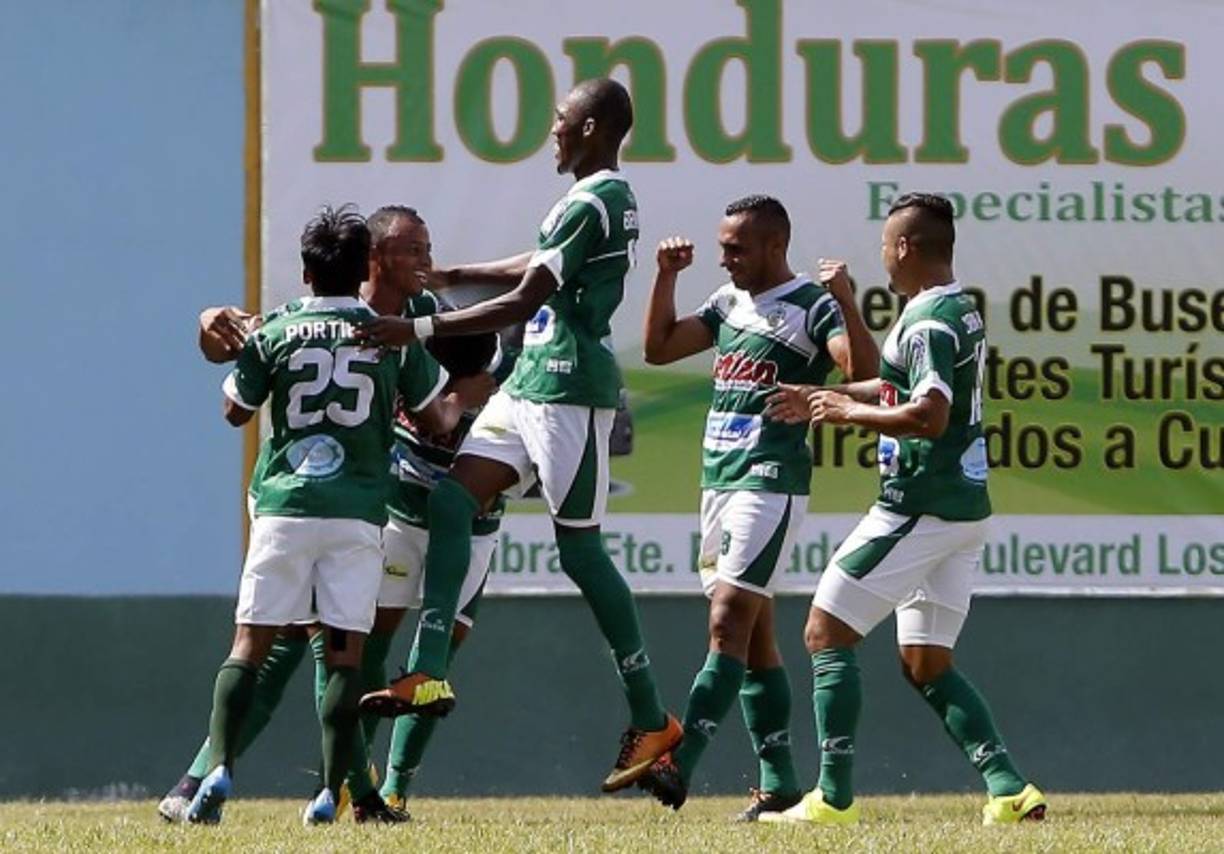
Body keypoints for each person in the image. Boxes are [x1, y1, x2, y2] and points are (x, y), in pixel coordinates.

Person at [355, 78, 682, 791]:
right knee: (451, 499)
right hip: (530, 380)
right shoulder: (586, 198)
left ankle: (652, 717)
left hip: (569, 389)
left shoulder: (601, 197)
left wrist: (418, 325)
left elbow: (532, 293)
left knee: (581, 553)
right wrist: (458, 273)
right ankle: (429, 672)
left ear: (593, 127)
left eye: (562, 120)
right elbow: (537, 268)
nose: (552, 132)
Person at [160, 206, 494, 824]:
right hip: (360, 512)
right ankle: (328, 792)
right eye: (411, 248)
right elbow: (437, 418)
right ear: (369, 258)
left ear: (306, 272)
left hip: (287, 505)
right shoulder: (389, 332)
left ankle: (226, 772)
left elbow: (235, 410)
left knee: (251, 646)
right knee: (344, 653)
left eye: (428, 248)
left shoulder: (284, 324)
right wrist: (463, 394)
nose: (424, 260)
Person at [760, 193, 1047, 826]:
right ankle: (1010, 790)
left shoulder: (928, 323)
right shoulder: (954, 309)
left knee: (824, 631)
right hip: (963, 512)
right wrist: (821, 393)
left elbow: (929, 414)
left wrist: (848, 413)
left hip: (919, 507)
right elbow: (901, 384)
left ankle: (832, 799)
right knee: (926, 662)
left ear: (906, 248)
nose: (883, 257)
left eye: (887, 246)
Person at [635, 195, 879, 818]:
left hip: (770, 480)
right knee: (755, 635)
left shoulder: (810, 305)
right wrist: (666, 277)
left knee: (727, 620)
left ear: (775, 245)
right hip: (718, 480)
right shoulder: (727, 304)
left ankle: (679, 762)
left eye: (736, 248)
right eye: (722, 248)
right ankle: (778, 785)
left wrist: (847, 302)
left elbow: (866, 370)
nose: (725, 259)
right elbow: (659, 348)